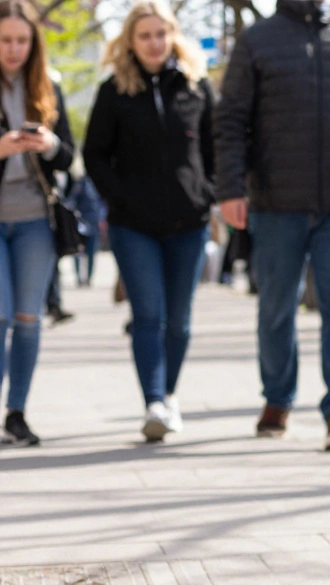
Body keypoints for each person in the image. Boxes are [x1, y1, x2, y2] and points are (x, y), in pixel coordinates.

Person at [215, 0, 330, 450]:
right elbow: (231, 119)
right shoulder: (256, 40)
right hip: (275, 201)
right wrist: (231, 188)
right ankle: (278, 398)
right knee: (277, 304)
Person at [84, 1, 216, 443]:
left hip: (189, 222)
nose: (154, 43)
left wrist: (207, 192)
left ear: (173, 35)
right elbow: (94, 155)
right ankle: (154, 402)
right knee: (148, 314)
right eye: (145, 35)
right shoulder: (114, 91)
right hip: (133, 226)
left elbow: (216, 146)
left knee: (179, 320)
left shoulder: (196, 86)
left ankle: (170, 393)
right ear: (130, 41)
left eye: (161, 33)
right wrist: (119, 197)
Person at [0, 0, 74, 446]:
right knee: (1, 314)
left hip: (34, 219)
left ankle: (17, 413)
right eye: (5, 40)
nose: (14, 49)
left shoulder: (47, 85)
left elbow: (69, 157)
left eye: (22, 40)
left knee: (28, 318)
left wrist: (48, 145)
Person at [68, 167, 106, 288]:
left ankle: (88, 278)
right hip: (81, 222)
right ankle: (79, 278)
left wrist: (102, 218)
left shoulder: (98, 183)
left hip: (94, 222)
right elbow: (72, 201)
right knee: (78, 251)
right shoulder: (81, 184)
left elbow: (102, 204)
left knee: (91, 252)